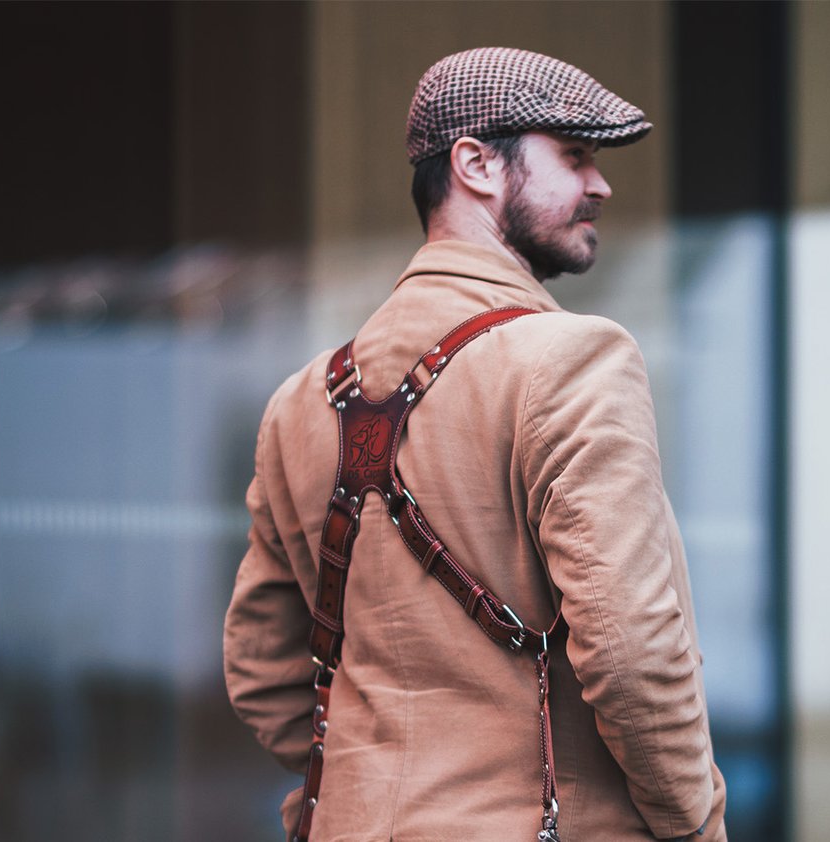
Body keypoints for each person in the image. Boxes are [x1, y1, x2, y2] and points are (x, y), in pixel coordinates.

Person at [223, 47, 726, 842]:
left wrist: (367, 776)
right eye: (575, 156)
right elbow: (632, 657)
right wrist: (694, 825)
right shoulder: (574, 360)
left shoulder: (300, 401)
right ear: (476, 165)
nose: (600, 184)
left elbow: (260, 669)